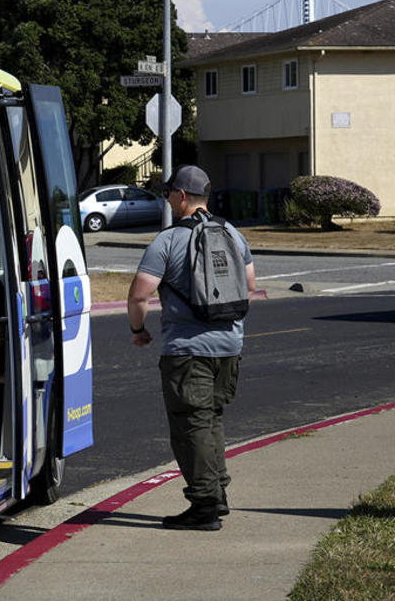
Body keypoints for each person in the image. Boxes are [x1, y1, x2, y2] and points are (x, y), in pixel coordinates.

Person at [127, 165, 256, 531]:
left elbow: (139, 294)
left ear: (182, 196)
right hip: (229, 345)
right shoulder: (232, 233)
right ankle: (218, 493)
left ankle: (205, 505)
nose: (168, 198)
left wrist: (138, 328)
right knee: (211, 419)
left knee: (190, 426)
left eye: (170, 193)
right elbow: (249, 285)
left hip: (187, 349)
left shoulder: (167, 241)